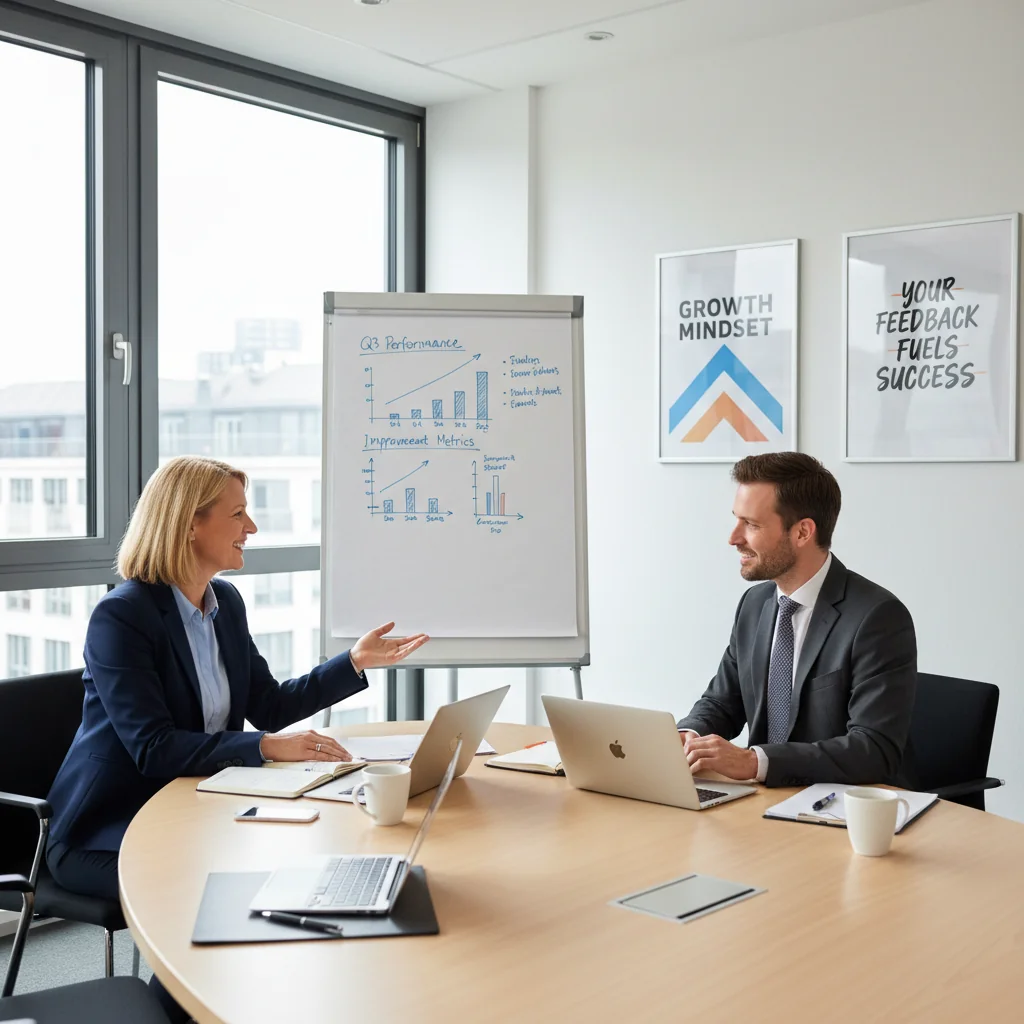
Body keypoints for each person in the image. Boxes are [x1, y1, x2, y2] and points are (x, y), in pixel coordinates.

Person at [45, 456, 428, 1022]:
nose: (251, 527)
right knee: (221, 890)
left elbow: (268, 705)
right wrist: (265, 748)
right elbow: (153, 747)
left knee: (288, 857)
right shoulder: (122, 617)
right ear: (190, 524)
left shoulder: (225, 605)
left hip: (194, 811)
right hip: (105, 829)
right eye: (238, 514)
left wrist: (352, 662)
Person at [676, 452, 916, 788]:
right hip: (763, 799)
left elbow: (873, 749)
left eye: (751, 524)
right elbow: (723, 702)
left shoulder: (877, 617)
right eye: (737, 520)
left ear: (803, 532)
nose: (734, 537)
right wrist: (688, 734)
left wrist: (754, 762)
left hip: (837, 805)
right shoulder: (754, 604)